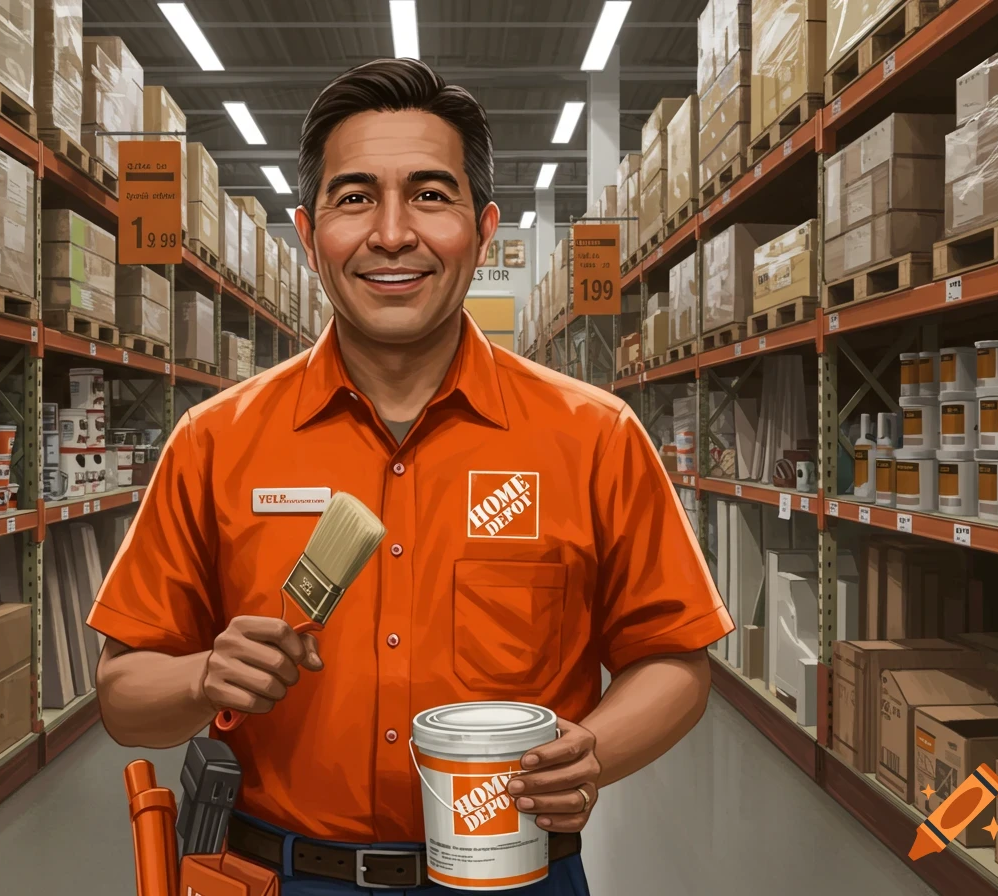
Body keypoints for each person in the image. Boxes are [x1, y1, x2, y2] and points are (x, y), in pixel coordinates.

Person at [90, 58, 734, 894]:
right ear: (307, 230)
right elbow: (121, 694)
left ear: (485, 225)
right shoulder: (214, 441)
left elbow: (675, 661)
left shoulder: (593, 436)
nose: (392, 233)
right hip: (280, 875)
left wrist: (595, 752)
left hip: (513, 876)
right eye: (354, 198)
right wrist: (202, 676)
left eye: (431, 195)